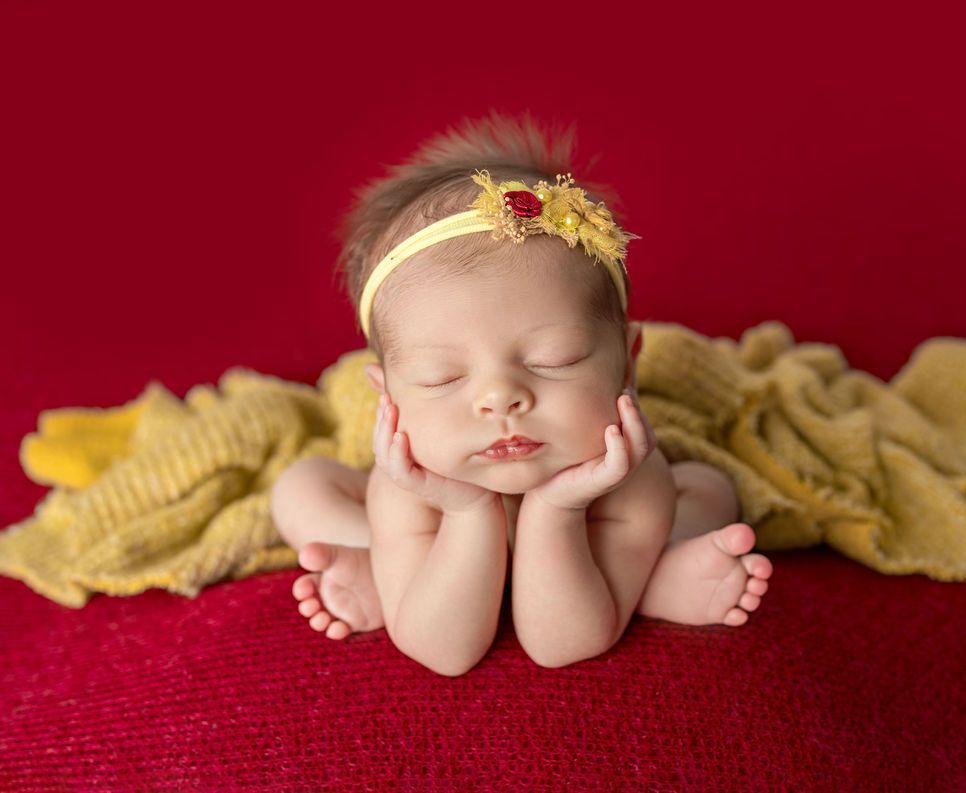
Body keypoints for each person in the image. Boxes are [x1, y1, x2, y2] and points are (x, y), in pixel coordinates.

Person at [269, 113, 772, 676]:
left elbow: (561, 644)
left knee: (707, 489)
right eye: (441, 378)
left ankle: (639, 576)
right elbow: (445, 652)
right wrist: (464, 510)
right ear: (388, 398)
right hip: (436, 521)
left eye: (552, 361)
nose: (500, 399)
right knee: (301, 487)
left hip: (592, 546)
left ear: (627, 363)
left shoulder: (629, 478)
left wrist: (561, 507)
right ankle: (387, 567)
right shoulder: (407, 486)